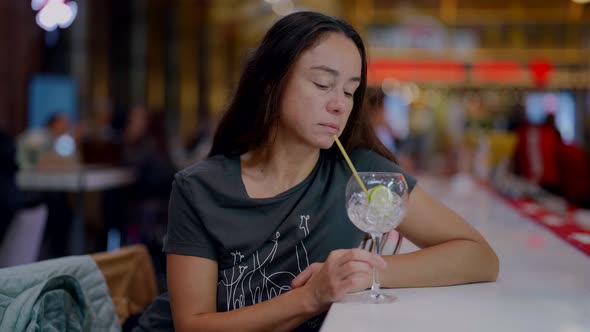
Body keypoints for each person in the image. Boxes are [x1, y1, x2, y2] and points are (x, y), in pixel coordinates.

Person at [157, 11, 498, 332]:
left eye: (350, 91)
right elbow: (192, 325)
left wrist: (360, 273)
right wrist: (310, 296)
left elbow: (479, 256)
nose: (340, 103)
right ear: (270, 84)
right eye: (323, 84)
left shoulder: (361, 174)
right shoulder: (199, 188)